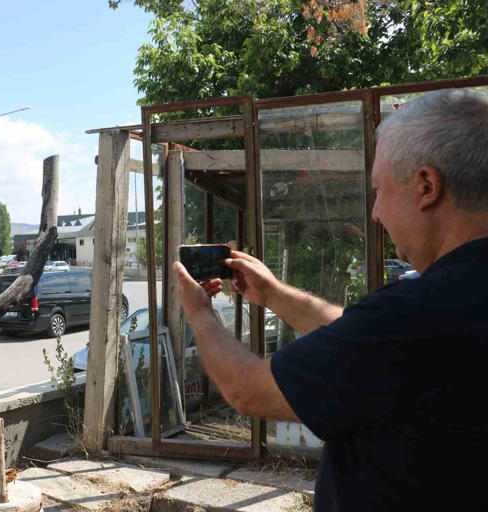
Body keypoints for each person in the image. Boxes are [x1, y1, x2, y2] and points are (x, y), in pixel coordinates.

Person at [173, 88, 488, 511]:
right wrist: (273, 294)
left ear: (427, 185)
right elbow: (361, 342)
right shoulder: (448, 305)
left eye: (379, 190)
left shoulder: (418, 314)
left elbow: (247, 390)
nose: (375, 212)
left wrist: (199, 313)